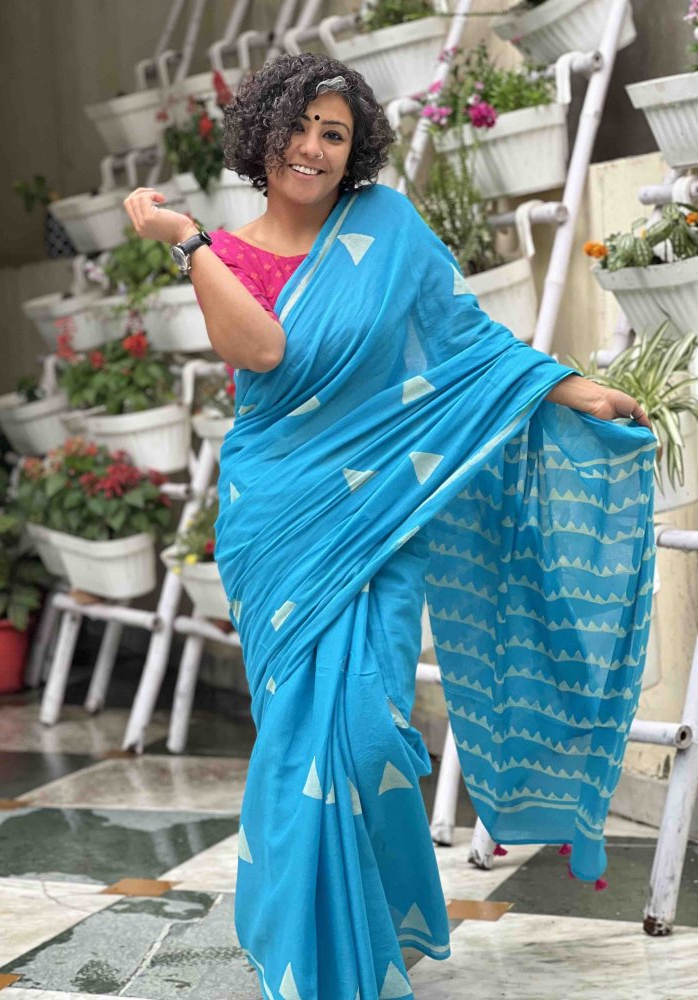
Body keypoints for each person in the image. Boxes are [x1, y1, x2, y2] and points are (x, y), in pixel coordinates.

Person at [125, 52, 657, 1000]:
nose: (313, 147)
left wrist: (571, 387)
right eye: (298, 126)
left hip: (383, 516)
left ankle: (360, 927)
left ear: (356, 148)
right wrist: (188, 242)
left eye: (334, 133)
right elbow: (262, 349)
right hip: (278, 522)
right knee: (302, 738)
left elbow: (465, 341)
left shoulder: (389, 227)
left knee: (369, 734)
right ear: (262, 134)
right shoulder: (224, 251)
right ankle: (309, 956)